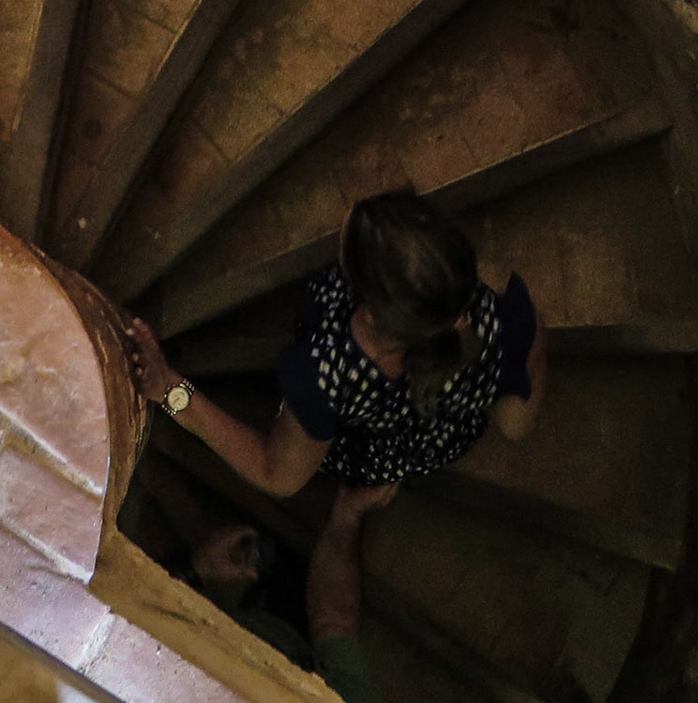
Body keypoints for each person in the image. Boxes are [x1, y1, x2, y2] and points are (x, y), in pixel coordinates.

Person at [124, 189, 547, 498]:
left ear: (363, 298)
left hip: (369, 448)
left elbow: (278, 475)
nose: (352, 211)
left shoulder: (324, 377)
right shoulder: (497, 315)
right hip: (439, 434)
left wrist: (169, 390)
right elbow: (516, 425)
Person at [182, 484, 395, 703]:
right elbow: (333, 622)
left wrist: (193, 573)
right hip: (238, 608)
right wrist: (347, 515)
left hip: (183, 625)